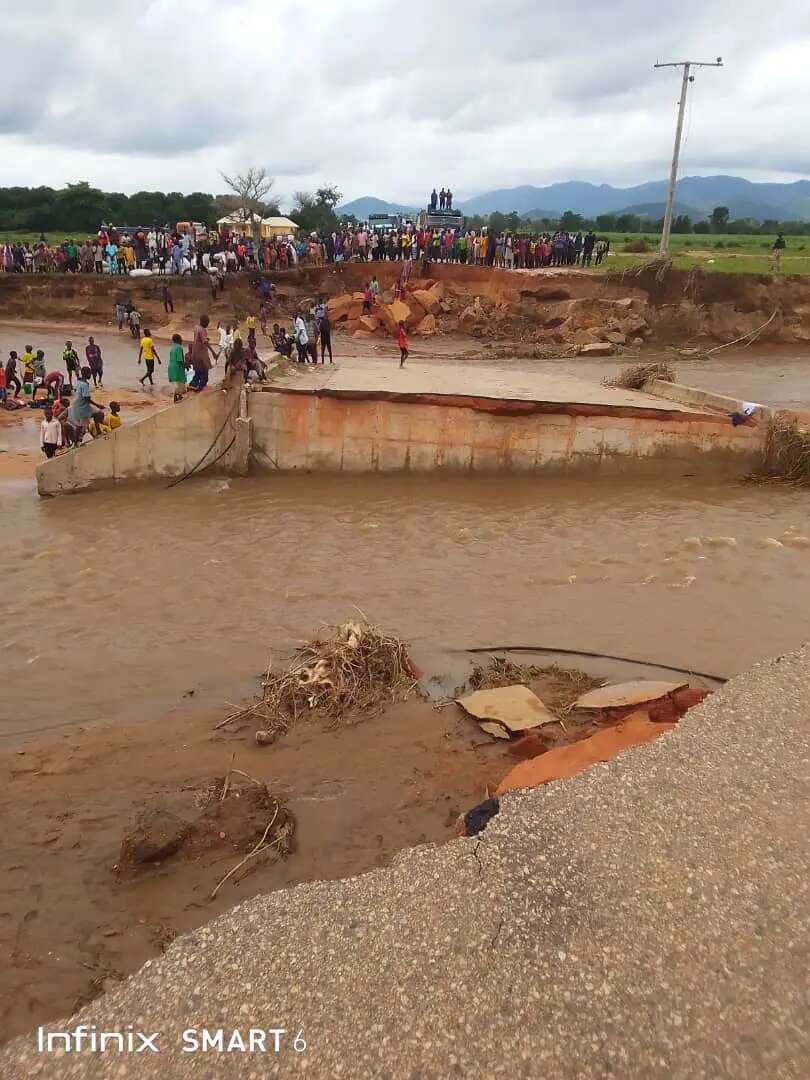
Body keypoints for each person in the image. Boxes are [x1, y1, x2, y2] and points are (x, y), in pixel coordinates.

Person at [67, 366, 103, 441]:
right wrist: (97, 405)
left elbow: (76, 390)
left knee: (99, 414)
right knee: (82, 427)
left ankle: (98, 431)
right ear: (86, 374)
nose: (91, 375)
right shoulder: (85, 385)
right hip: (82, 408)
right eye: (90, 373)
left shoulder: (79, 382)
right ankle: (76, 441)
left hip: (78, 405)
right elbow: (87, 399)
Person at [189, 314, 216, 391]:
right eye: (207, 323)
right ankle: (199, 389)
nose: (208, 324)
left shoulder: (196, 328)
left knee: (197, 373)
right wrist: (213, 352)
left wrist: (206, 339)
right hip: (201, 355)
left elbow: (199, 339)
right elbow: (205, 343)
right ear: (204, 322)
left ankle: (192, 385)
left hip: (195, 354)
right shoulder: (202, 330)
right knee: (204, 374)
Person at [167, 333, 187, 402]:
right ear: (179, 340)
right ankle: (179, 397)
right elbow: (180, 360)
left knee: (176, 384)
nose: (182, 340)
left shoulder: (173, 347)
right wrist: (186, 365)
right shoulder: (179, 347)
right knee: (180, 382)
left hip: (171, 367)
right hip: (177, 367)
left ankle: (176, 398)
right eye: (181, 339)